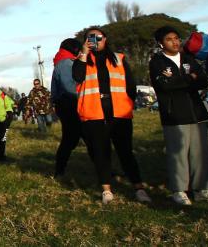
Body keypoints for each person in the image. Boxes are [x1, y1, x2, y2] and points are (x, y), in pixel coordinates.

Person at [72, 27, 151, 204]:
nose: (95, 41)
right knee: (101, 153)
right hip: (94, 114)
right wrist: (83, 54)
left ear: (105, 39)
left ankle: (139, 188)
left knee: (126, 152)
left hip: (119, 113)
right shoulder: (81, 60)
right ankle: (106, 190)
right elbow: (77, 77)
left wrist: (129, 104)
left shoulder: (119, 58)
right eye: (90, 38)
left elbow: (130, 85)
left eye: (98, 37)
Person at [148, 27, 208, 205]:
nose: (175, 42)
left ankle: (201, 189)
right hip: (174, 114)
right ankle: (179, 190)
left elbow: (203, 81)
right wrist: (190, 78)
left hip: (197, 112)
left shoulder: (189, 59)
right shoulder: (157, 62)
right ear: (161, 43)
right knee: (178, 154)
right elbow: (166, 86)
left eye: (177, 38)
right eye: (169, 39)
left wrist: (183, 80)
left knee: (200, 153)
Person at [50, 38, 83, 177]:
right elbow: (70, 87)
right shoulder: (65, 63)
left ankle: (60, 169)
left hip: (68, 104)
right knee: (71, 138)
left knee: (73, 138)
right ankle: (59, 170)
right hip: (70, 104)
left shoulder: (63, 61)